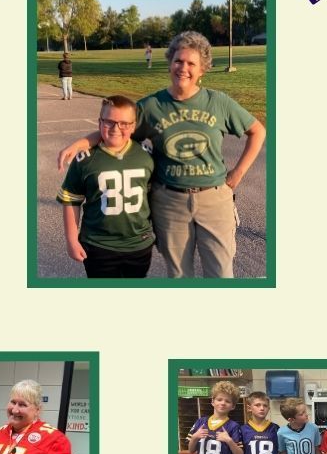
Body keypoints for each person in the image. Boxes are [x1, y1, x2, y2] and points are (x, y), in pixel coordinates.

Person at [58, 31, 266, 278]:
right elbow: (118, 127)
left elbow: (257, 131)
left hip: (214, 198)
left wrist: (238, 173)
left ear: (202, 70)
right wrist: (82, 143)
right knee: (178, 274)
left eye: (192, 63)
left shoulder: (217, 102)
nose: (183, 68)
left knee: (221, 272)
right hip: (170, 202)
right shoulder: (151, 106)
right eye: (178, 61)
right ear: (170, 63)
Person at [57, 95, 155, 277]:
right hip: (98, 245)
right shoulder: (84, 159)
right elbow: (71, 199)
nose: (116, 128)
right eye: (109, 122)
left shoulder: (146, 155)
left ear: (134, 126)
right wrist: (71, 239)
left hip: (138, 244)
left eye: (124, 123)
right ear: (99, 122)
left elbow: (154, 197)